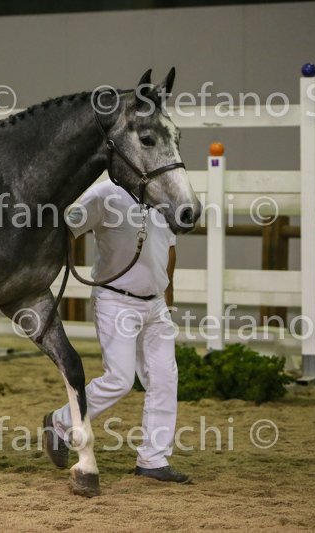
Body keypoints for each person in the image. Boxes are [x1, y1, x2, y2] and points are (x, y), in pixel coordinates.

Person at [43, 179, 190, 483]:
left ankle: (153, 459)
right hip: (115, 301)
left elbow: (170, 248)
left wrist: (168, 295)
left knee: (164, 379)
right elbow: (65, 228)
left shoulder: (163, 197)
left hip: (155, 305)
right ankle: (61, 422)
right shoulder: (104, 194)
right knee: (119, 380)